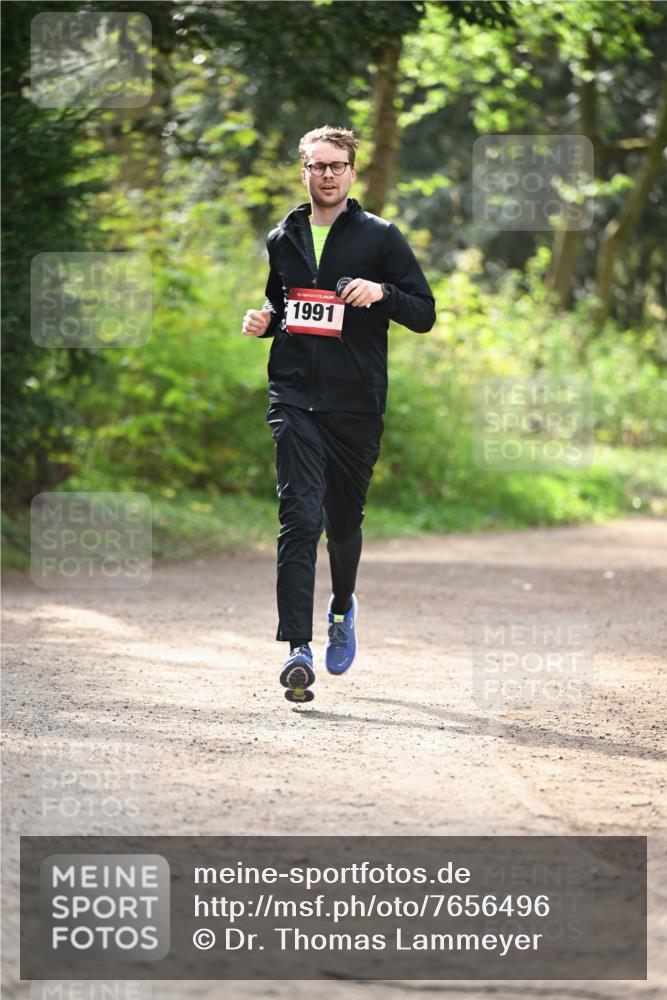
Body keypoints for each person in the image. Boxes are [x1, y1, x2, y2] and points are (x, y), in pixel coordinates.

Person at [242, 124, 436, 703]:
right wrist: (265, 322)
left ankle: (343, 606)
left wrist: (382, 294)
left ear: (352, 172)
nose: (325, 175)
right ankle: (297, 650)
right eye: (315, 166)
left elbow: (424, 313)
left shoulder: (380, 237)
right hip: (294, 393)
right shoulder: (284, 237)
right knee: (299, 517)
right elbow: (284, 305)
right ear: (303, 171)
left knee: (342, 525)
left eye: (336, 166)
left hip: (355, 403)